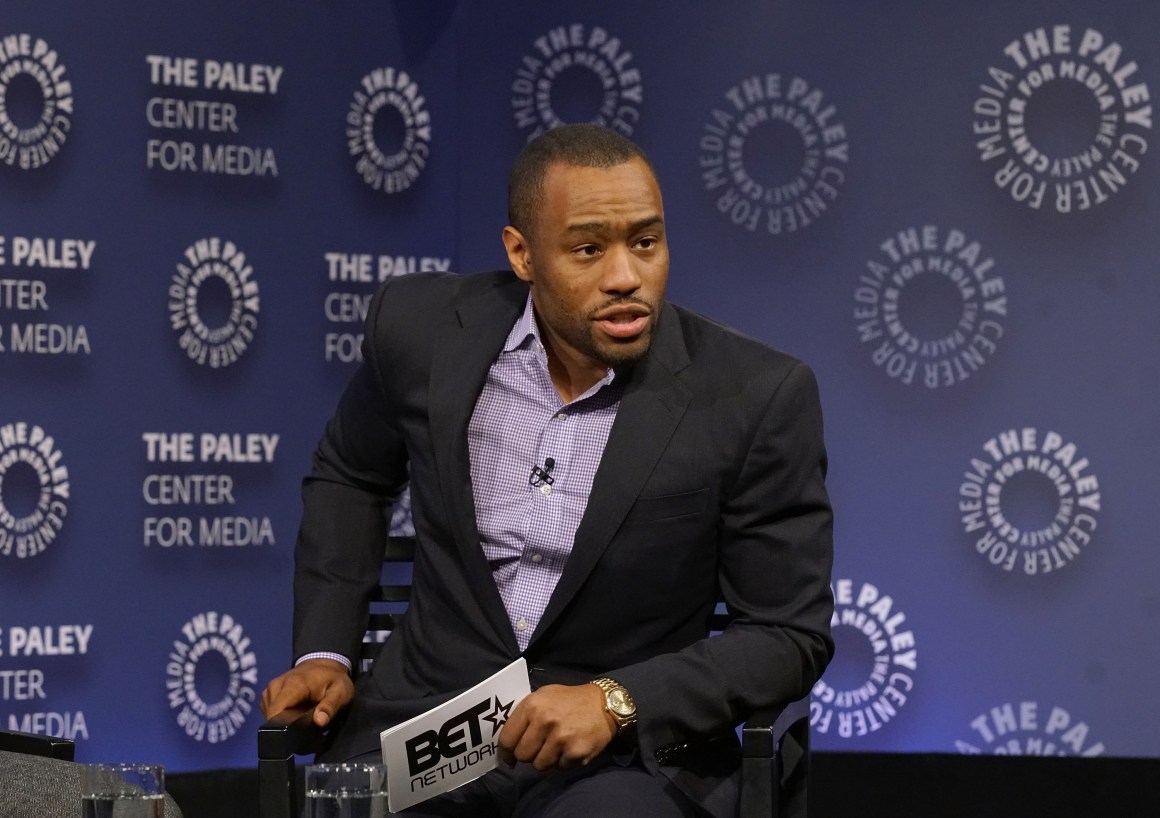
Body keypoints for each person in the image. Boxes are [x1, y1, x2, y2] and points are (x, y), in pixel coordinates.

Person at [261, 123, 834, 817]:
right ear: (522, 253)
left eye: (646, 242)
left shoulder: (755, 395)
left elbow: (786, 635)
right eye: (588, 249)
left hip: (623, 763)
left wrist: (617, 701)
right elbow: (350, 475)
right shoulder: (420, 330)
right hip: (426, 737)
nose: (626, 277)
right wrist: (325, 653)